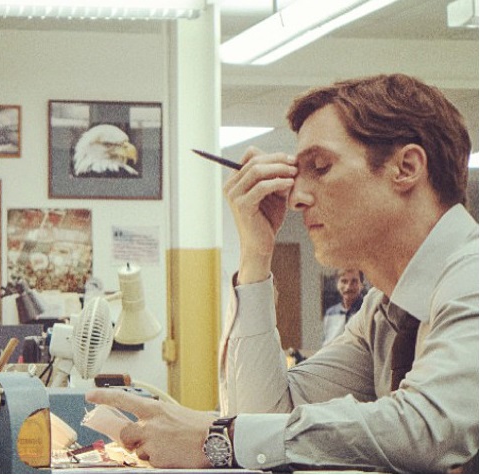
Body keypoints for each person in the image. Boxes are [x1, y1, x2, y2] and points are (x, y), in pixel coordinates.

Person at [86, 73, 479, 473]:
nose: (297, 199)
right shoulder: (384, 312)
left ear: (406, 167)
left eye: (320, 167)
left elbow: (427, 429)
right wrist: (256, 256)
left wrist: (220, 436)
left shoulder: (472, 277)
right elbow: (264, 414)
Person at [322, 268, 365, 346]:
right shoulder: (330, 313)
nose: (348, 287)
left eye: (354, 281)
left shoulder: (366, 311)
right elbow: (326, 344)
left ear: (361, 285)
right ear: (337, 284)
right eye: (344, 281)